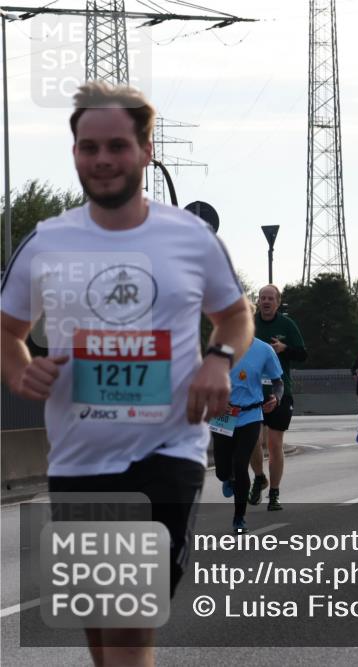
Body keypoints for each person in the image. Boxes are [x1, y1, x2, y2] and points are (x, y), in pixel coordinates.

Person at [0, 81, 253, 665]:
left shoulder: (189, 239)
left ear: (145, 150)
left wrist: (218, 359)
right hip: (77, 459)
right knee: (103, 619)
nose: (103, 160)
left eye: (117, 145)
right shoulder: (47, 240)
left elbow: (236, 317)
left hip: (167, 451)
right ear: (75, 154)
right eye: (89, 148)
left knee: (131, 619)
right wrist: (20, 373)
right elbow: (7, 332)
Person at [211, 326, 283, 532]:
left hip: (251, 414)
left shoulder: (264, 350)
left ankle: (239, 518)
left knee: (240, 463)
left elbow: (278, 382)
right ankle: (228, 477)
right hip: (223, 414)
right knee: (222, 471)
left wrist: (275, 398)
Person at [248, 284, 307, 512]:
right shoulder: (250, 322)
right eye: (262, 298)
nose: (266, 301)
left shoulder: (287, 324)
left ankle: (274, 493)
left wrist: (284, 348)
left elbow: (303, 354)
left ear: (278, 302)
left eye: (270, 298)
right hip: (252, 393)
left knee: (274, 444)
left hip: (280, 392)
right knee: (253, 441)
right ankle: (259, 477)